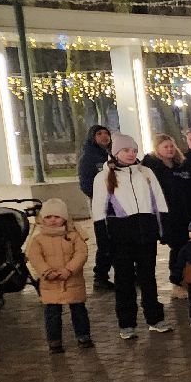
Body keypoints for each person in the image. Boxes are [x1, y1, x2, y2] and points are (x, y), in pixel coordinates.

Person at [91, 134, 173, 340]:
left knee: (148, 277)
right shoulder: (103, 177)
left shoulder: (146, 173)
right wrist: (103, 240)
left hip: (145, 230)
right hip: (121, 233)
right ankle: (127, 323)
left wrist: (162, 229)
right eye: (126, 150)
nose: (131, 154)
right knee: (124, 279)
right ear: (116, 152)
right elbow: (99, 210)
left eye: (134, 150)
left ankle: (155, 318)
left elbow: (159, 201)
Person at [23, 197, 93, 353]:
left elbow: (81, 253)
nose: (52, 220)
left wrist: (69, 269)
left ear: (64, 218)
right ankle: (54, 341)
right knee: (52, 313)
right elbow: (35, 257)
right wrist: (46, 271)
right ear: (42, 218)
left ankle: (83, 336)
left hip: (72, 280)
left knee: (78, 309)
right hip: (50, 282)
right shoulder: (38, 238)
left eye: (56, 217)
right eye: (48, 217)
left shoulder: (74, 235)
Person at [142, 133, 191, 299]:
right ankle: (177, 282)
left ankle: (190, 279)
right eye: (165, 147)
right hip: (169, 215)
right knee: (178, 248)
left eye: (171, 146)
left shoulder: (182, 165)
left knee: (190, 246)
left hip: (187, 212)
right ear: (157, 149)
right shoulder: (152, 168)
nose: (170, 150)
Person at [77, 125, 114, 291]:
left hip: (120, 205)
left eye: (106, 133)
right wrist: (100, 195)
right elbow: (86, 184)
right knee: (105, 240)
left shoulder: (114, 154)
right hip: (102, 206)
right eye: (99, 134)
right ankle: (100, 275)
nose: (104, 136)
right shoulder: (89, 158)